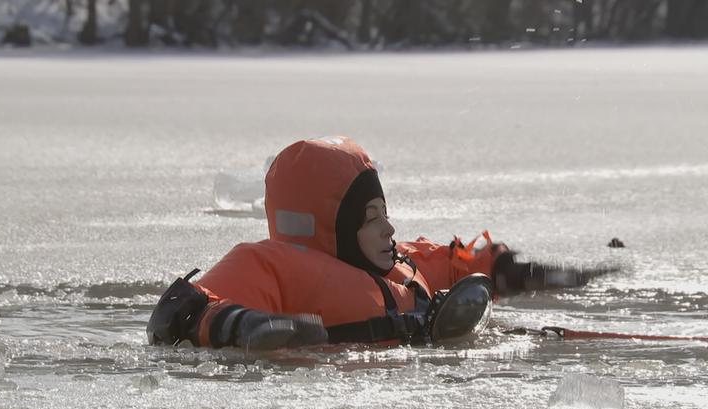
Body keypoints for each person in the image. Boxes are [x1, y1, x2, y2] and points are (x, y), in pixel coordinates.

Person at [147, 136, 605, 350]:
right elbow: (176, 313)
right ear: (330, 229)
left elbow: (450, 260)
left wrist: (513, 270)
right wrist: (235, 325)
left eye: (385, 214)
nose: (388, 230)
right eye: (370, 219)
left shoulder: (397, 263)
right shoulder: (271, 264)